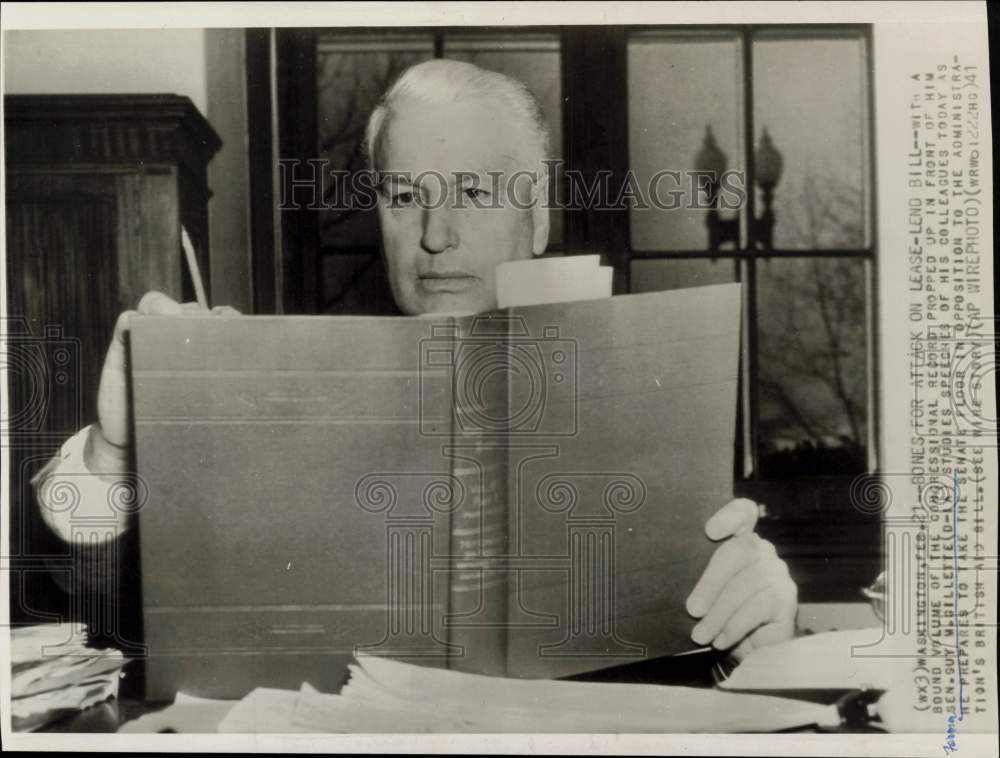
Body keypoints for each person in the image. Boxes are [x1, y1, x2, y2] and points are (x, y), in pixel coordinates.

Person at [35, 59, 797, 663]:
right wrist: (115, 450)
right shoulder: (279, 396)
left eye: (472, 190)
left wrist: (756, 632)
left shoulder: (647, 400)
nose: (435, 235)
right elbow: (87, 598)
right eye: (404, 195)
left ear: (536, 220)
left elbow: (698, 654)